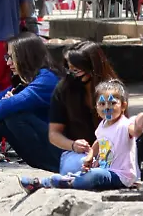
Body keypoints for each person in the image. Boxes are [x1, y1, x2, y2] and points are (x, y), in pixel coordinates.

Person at [20, 79, 140, 192]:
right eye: (102, 104)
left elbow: (135, 131)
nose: (107, 108)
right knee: (84, 172)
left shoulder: (125, 125)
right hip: (105, 170)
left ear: (123, 106)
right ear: (96, 107)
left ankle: (67, 182)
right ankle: (41, 183)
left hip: (121, 176)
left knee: (94, 175)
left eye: (112, 103)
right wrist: (91, 156)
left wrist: (140, 123)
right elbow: (99, 142)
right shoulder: (103, 125)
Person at [0, 33, 64, 172]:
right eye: (7, 57)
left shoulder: (47, 79)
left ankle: (48, 167)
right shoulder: (25, 81)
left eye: (12, 57)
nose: (8, 63)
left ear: (26, 56)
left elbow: (1, 109)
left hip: (60, 149)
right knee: (0, 118)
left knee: (13, 115)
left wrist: (3, 104)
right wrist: (1, 104)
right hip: (47, 142)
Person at [48, 41, 121, 176]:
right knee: (80, 165)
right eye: (69, 68)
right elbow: (54, 134)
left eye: (76, 70)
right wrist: (73, 145)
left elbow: (119, 128)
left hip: (109, 149)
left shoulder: (113, 90)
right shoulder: (64, 90)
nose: (71, 74)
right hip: (77, 154)